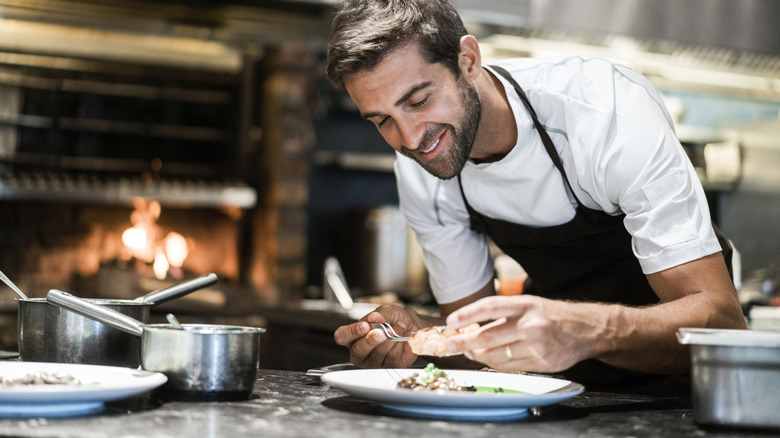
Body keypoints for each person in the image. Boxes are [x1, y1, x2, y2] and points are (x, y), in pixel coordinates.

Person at [326, 0, 746, 386]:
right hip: (559, 395)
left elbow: (721, 325)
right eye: (382, 121)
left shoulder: (606, 114)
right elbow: (474, 346)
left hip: (685, 393)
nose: (411, 139)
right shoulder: (421, 172)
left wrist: (582, 330)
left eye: (419, 100)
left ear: (467, 60)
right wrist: (420, 334)